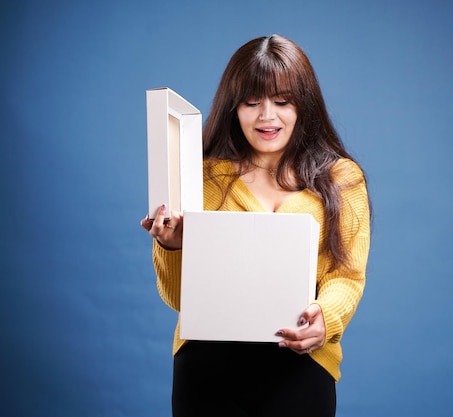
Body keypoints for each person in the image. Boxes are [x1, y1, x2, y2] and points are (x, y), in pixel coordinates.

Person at [140, 34, 370, 417]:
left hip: (303, 364)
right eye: (252, 102)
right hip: (207, 369)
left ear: (304, 106)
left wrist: (325, 318)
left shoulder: (341, 179)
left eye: (282, 102)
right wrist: (173, 247)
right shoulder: (201, 177)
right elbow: (180, 300)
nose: (267, 116)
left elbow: (346, 275)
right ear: (234, 108)